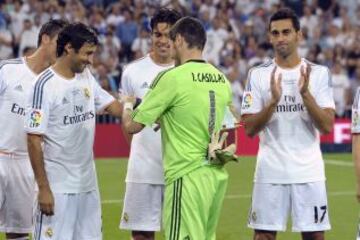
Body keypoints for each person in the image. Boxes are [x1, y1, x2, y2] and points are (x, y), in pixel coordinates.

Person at [121, 16, 235, 240]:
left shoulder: (172, 77)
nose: (169, 45)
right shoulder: (221, 79)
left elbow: (132, 126)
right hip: (214, 176)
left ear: (180, 40)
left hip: (185, 175)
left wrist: (127, 104)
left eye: (172, 39)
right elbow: (228, 130)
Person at [241, 8, 335, 240]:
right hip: (270, 171)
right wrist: (272, 102)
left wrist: (306, 95)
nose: (281, 37)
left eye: (286, 32)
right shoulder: (258, 75)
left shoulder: (318, 73)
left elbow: (326, 127)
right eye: (275, 33)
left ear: (298, 35)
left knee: (314, 237)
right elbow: (250, 129)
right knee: (263, 237)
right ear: (270, 37)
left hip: (309, 171)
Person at [25, 22, 123, 240]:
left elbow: (111, 105)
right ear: (69, 48)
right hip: (57, 188)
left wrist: (143, 112)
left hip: (88, 186)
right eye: (87, 53)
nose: (90, 60)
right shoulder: (44, 85)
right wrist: (43, 189)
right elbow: (33, 138)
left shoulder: (86, 76)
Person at [0, 19, 67, 240]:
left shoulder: (53, 83)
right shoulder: (7, 70)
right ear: (45, 39)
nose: (62, 49)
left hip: (27, 165)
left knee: (18, 233)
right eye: (59, 42)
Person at [119, 8, 181, 240]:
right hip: (143, 168)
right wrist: (138, 152)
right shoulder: (133, 72)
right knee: (142, 235)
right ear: (151, 35)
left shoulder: (189, 70)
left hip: (180, 167)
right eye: (158, 34)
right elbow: (126, 120)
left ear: (178, 36)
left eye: (168, 35)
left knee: (183, 233)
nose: (163, 41)